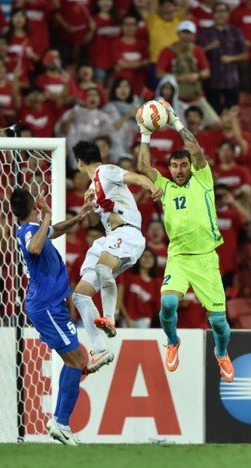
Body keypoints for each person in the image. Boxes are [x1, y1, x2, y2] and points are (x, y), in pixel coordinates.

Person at [137, 99, 235, 382]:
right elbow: (143, 166)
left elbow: (195, 150)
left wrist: (175, 121)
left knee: (219, 323)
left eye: (183, 165)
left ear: (191, 166)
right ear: (169, 168)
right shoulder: (165, 187)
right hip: (179, 258)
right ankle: (172, 341)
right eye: (174, 166)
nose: (179, 170)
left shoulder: (203, 180)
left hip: (206, 259)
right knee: (167, 304)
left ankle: (221, 352)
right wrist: (145, 133)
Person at [71, 140, 162, 374]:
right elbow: (95, 221)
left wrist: (153, 187)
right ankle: (100, 348)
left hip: (128, 233)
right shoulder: (93, 187)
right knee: (80, 295)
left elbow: (136, 178)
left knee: (103, 269)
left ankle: (110, 319)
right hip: (110, 238)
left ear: (79, 163)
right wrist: (88, 208)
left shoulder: (106, 171)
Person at [10, 188, 87, 445]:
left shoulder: (34, 229)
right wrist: (47, 216)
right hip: (46, 305)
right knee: (76, 361)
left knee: (75, 361)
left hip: (49, 304)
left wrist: (78, 218)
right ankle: (60, 423)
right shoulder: (30, 231)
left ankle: (61, 422)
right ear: (34, 207)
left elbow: (54, 231)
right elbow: (34, 247)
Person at [196, 2, 248, 114]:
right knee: (213, 114)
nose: (220, 14)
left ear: (228, 14)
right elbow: (196, 54)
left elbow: (245, 55)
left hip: (231, 80)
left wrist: (231, 58)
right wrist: (209, 47)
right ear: (212, 15)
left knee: (232, 114)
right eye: (217, 12)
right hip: (211, 81)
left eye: (223, 11)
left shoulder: (235, 32)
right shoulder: (205, 32)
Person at [117, 248, 161, 328]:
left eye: (150, 256)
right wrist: (126, 317)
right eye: (144, 256)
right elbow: (120, 299)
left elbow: (157, 306)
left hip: (146, 320)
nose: (147, 259)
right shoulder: (129, 277)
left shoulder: (157, 282)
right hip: (126, 318)